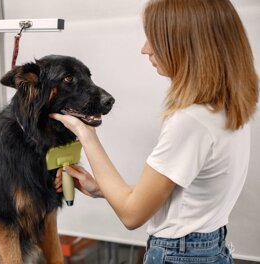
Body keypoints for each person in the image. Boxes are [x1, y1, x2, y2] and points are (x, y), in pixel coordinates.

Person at [50, 0, 259, 263]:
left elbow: (131, 215)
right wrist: (101, 188)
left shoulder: (191, 121)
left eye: (154, 39)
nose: (144, 49)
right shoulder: (227, 107)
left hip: (180, 255)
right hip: (210, 249)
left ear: (185, 44)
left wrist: (86, 132)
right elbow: (185, 197)